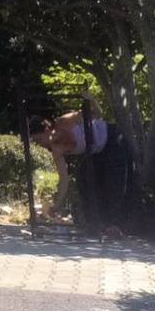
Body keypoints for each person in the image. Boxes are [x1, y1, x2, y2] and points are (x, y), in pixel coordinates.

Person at [31, 93, 128, 228]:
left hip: (112, 139)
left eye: (39, 139)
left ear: (47, 129)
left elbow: (97, 114)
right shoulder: (56, 151)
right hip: (96, 152)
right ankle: (94, 224)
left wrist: (92, 100)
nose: (40, 144)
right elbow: (64, 179)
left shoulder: (64, 122)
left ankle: (114, 225)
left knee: (114, 182)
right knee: (84, 179)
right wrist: (57, 204)